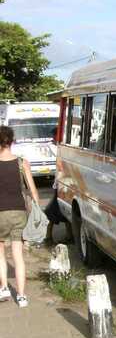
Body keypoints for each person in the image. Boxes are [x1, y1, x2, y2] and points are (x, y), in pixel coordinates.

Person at [0, 125, 40, 307]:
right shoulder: (22, 162)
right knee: (18, 255)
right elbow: (32, 191)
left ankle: (4, 288)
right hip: (19, 212)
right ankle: (22, 296)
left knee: (0, 253)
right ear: (12, 141)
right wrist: (37, 211)